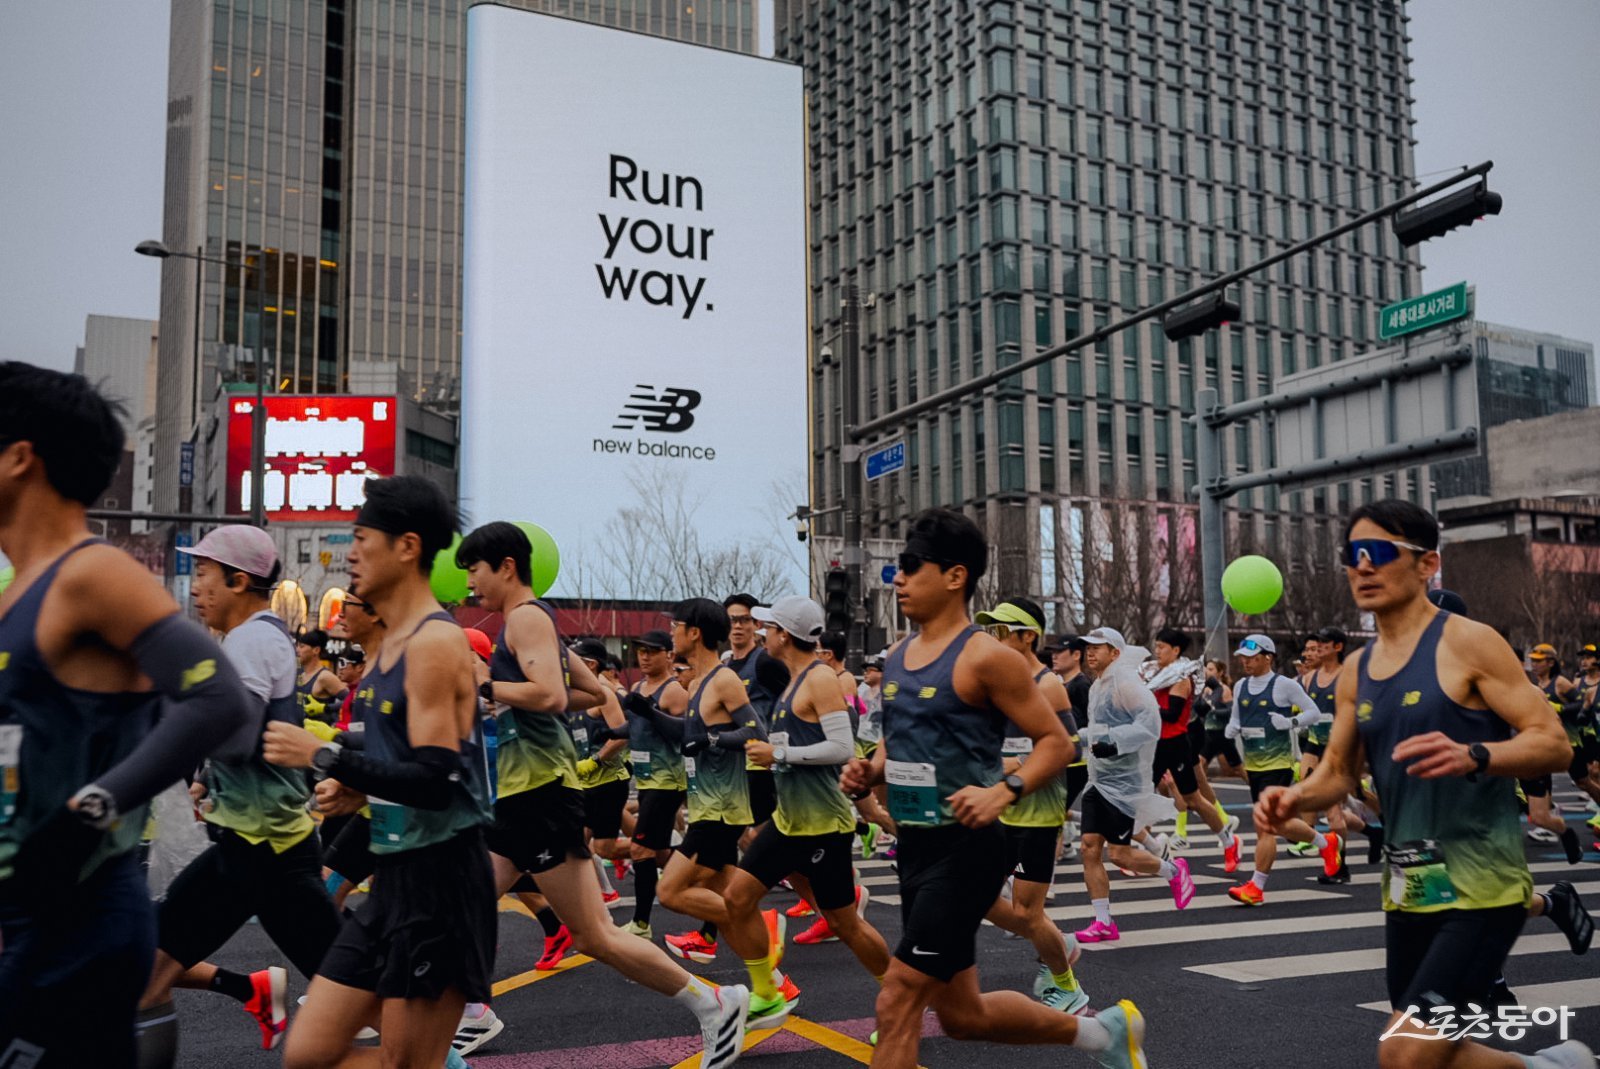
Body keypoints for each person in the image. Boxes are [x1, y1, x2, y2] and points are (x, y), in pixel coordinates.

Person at [1259, 500, 1592, 1068]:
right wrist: (1293, 797)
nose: (1363, 566)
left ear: (1426, 564)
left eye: (1380, 553)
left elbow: (1552, 742)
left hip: (1484, 886)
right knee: (1436, 1053)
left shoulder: (1469, 642)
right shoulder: (1358, 670)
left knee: (1404, 1053)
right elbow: (1339, 772)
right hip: (1413, 884)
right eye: (1352, 556)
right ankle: (1553, 1067)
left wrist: (1474, 754)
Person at [0, 362, 256, 1069]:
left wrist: (94, 804)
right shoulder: (18, 594)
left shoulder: (92, 573)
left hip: (78, 923)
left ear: (20, 455)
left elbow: (219, 697)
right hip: (26, 920)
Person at [840, 508, 1147, 1069]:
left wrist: (1002, 790)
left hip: (967, 848)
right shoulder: (900, 658)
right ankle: (1105, 1035)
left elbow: (1058, 745)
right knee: (963, 1017)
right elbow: (901, 742)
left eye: (911, 565)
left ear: (955, 575)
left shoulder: (987, 657)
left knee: (898, 997)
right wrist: (871, 769)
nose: (899, 578)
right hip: (915, 845)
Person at [456, 525, 751, 1066]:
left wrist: (482, 685)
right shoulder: (538, 622)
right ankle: (470, 1011)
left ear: (504, 566)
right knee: (465, 899)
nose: (470, 584)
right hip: (523, 792)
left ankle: (714, 1001)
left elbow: (545, 695)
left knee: (595, 936)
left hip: (540, 791)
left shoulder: (523, 618)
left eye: (474, 570)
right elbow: (594, 692)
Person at [262, 475, 497, 1069]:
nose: (351, 553)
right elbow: (401, 766)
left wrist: (322, 756)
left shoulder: (435, 643)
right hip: (392, 880)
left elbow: (439, 781)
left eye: (362, 539)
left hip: (440, 884)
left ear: (408, 547)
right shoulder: (389, 649)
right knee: (308, 1054)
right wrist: (355, 788)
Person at [137, 526, 343, 1062]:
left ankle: (438, 1052)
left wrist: (177, 708)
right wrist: (206, 774)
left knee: (145, 977)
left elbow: (238, 736)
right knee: (349, 986)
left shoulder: (253, 638)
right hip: (262, 846)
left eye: (204, 574)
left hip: (259, 848)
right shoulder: (257, 637)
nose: (197, 588)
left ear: (238, 580)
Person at [718, 595, 890, 1026]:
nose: (761, 633)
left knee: (844, 923)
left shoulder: (820, 680)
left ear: (784, 635)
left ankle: (901, 995)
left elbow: (841, 748)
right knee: (736, 899)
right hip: (788, 821)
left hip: (822, 827)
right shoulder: (793, 682)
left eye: (767, 628)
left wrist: (778, 753)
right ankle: (768, 992)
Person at [973, 597, 1089, 1013]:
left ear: (1028, 636)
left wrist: (1018, 764)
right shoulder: (996, 682)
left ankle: (1066, 983)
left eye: (1002, 630)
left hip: (1037, 814)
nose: (994, 637)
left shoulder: (1048, 684)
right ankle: (1061, 943)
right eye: (991, 629)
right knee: (977, 896)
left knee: (1026, 912)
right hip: (999, 810)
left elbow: (1073, 750)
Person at [1073, 627, 1190, 943]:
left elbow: (1150, 724)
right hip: (1099, 781)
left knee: (1121, 856)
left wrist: (1115, 743)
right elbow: (1101, 729)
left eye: (1099, 647)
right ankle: (1103, 922)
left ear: (1116, 653)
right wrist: (1077, 738)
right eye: (1088, 647)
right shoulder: (1099, 686)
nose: (1091, 652)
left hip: (1123, 784)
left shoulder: (1126, 684)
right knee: (1089, 848)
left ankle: (1174, 872)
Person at [1224, 634, 1342, 905]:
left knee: (1265, 825)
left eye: (1252, 658)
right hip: (1253, 765)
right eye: (1243, 657)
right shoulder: (1241, 685)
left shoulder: (1284, 685)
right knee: (1276, 824)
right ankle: (1326, 844)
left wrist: (1290, 722)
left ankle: (1256, 886)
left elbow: (1313, 712)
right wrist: (1232, 728)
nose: (1246, 662)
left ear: (1268, 657)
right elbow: (1236, 717)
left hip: (1279, 763)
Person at [1143, 628, 1240, 869]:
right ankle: (1141, 851)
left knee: (1193, 799)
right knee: (1144, 796)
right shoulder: (1154, 674)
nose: (1157, 650)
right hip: (1155, 743)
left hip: (1176, 744)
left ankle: (1228, 841)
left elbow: (1173, 714)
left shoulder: (1180, 677)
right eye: (1156, 645)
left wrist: (1143, 706)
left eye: (1162, 646)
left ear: (1176, 651)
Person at [622, 629, 689, 939]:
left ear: (669, 655)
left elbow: (684, 734)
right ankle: (708, 882)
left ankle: (641, 924)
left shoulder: (674, 691)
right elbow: (637, 726)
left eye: (652, 650)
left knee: (640, 848)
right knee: (660, 852)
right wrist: (613, 734)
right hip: (646, 779)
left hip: (668, 782)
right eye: (640, 650)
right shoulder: (637, 685)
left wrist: (649, 709)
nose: (645, 656)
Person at [1299, 627, 1353, 883]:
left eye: (1324, 643)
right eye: (1317, 641)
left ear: (1338, 647)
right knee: (1313, 796)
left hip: (1339, 748)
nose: (1319, 646)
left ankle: (1340, 866)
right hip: (1314, 744)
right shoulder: (1310, 678)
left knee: (1333, 813)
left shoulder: (1347, 676)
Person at [294, 629, 348, 725]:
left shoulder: (324, 677)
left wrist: (326, 708)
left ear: (316, 650)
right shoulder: (300, 676)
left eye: (302, 646)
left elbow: (350, 701)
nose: (297, 650)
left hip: (317, 736)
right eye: (297, 646)